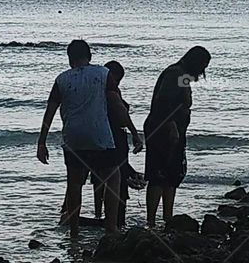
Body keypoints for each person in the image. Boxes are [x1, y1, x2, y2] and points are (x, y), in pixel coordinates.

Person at [36, 40, 141, 236]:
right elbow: (117, 105)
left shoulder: (62, 79)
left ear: (69, 58)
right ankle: (111, 226)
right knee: (113, 177)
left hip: (73, 137)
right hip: (99, 135)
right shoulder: (103, 74)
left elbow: (50, 111)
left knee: (74, 184)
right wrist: (134, 133)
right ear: (90, 56)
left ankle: (74, 230)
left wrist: (41, 142)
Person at [143, 46, 211, 227]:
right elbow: (163, 102)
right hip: (162, 131)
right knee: (159, 174)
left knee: (171, 175)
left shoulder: (182, 76)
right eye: (203, 66)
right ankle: (151, 220)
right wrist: (171, 126)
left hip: (171, 130)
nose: (203, 71)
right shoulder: (176, 74)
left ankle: (167, 218)